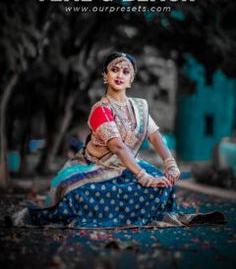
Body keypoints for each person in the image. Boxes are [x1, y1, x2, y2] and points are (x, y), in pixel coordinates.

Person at [10, 52, 226, 228]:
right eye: (114, 69)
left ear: (131, 79)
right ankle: (115, 214)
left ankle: (130, 213)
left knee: (163, 185)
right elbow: (118, 146)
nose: (119, 75)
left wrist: (170, 165)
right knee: (76, 194)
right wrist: (143, 177)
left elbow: (155, 136)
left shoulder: (139, 107)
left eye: (125, 71)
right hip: (96, 169)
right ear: (105, 75)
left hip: (127, 167)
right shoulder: (100, 109)